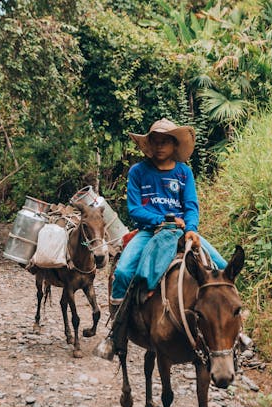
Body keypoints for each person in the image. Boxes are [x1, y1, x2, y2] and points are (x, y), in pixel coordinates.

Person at [94, 118, 227, 360]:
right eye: (155, 141)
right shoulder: (138, 172)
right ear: (149, 144)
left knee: (223, 268)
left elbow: (191, 206)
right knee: (123, 273)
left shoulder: (184, 172)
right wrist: (161, 220)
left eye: (165, 141)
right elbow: (134, 209)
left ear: (174, 145)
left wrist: (192, 227)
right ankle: (116, 333)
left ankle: (232, 335)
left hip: (182, 232)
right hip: (148, 232)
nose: (159, 146)